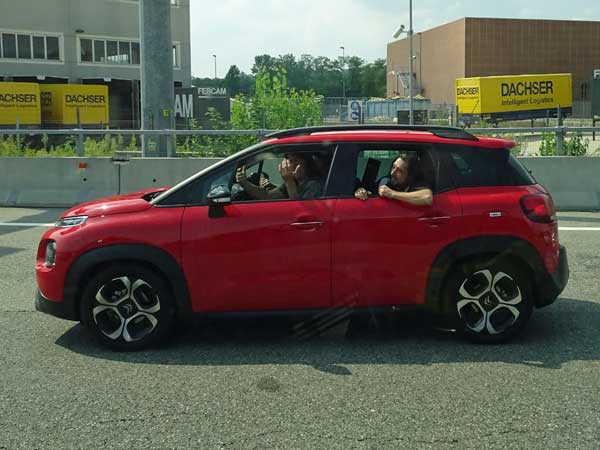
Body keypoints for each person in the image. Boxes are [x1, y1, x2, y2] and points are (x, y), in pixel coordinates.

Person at [236, 152, 324, 201]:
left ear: (307, 163)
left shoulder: (314, 185)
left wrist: (289, 182)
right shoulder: (294, 183)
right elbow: (267, 196)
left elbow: (302, 211)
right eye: (290, 161)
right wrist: (245, 183)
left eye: (297, 160)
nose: (291, 165)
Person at [354, 154, 433, 206]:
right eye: (393, 167)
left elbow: (427, 197)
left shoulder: (413, 185)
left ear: (409, 175)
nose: (392, 173)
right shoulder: (385, 181)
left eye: (399, 171)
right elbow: (368, 192)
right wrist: (360, 191)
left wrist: (392, 194)